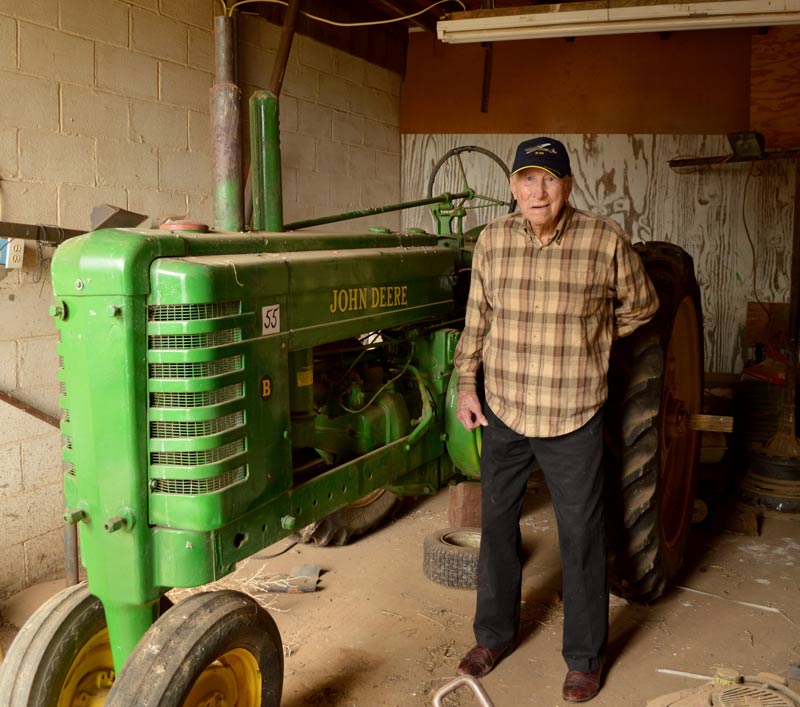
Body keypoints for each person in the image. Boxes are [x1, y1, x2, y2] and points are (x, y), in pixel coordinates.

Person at [453, 137, 659, 702]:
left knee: (582, 536)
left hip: (574, 414)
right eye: (526, 178)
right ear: (512, 185)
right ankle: (492, 636)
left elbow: (642, 305)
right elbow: (477, 322)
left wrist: (594, 338)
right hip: (507, 410)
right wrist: (466, 385)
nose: (536, 191)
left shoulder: (603, 239)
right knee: (497, 527)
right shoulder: (492, 241)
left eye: (548, 179)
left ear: (567, 186)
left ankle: (585, 657)